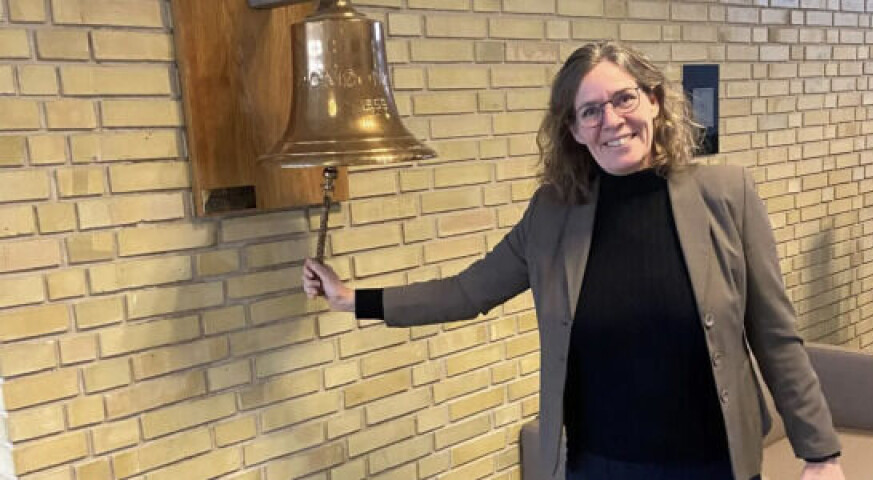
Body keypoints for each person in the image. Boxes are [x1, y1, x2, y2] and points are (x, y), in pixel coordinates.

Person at [303, 42, 845, 480]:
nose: (611, 121)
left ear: (654, 100)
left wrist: (819, 452)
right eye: (590, 111)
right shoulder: (553, 215)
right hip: (597, 465)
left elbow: (775, 334)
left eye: (624, 99)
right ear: (574, 129)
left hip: (711, 461)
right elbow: (467, 291)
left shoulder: (726, 194)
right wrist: (354, 299)